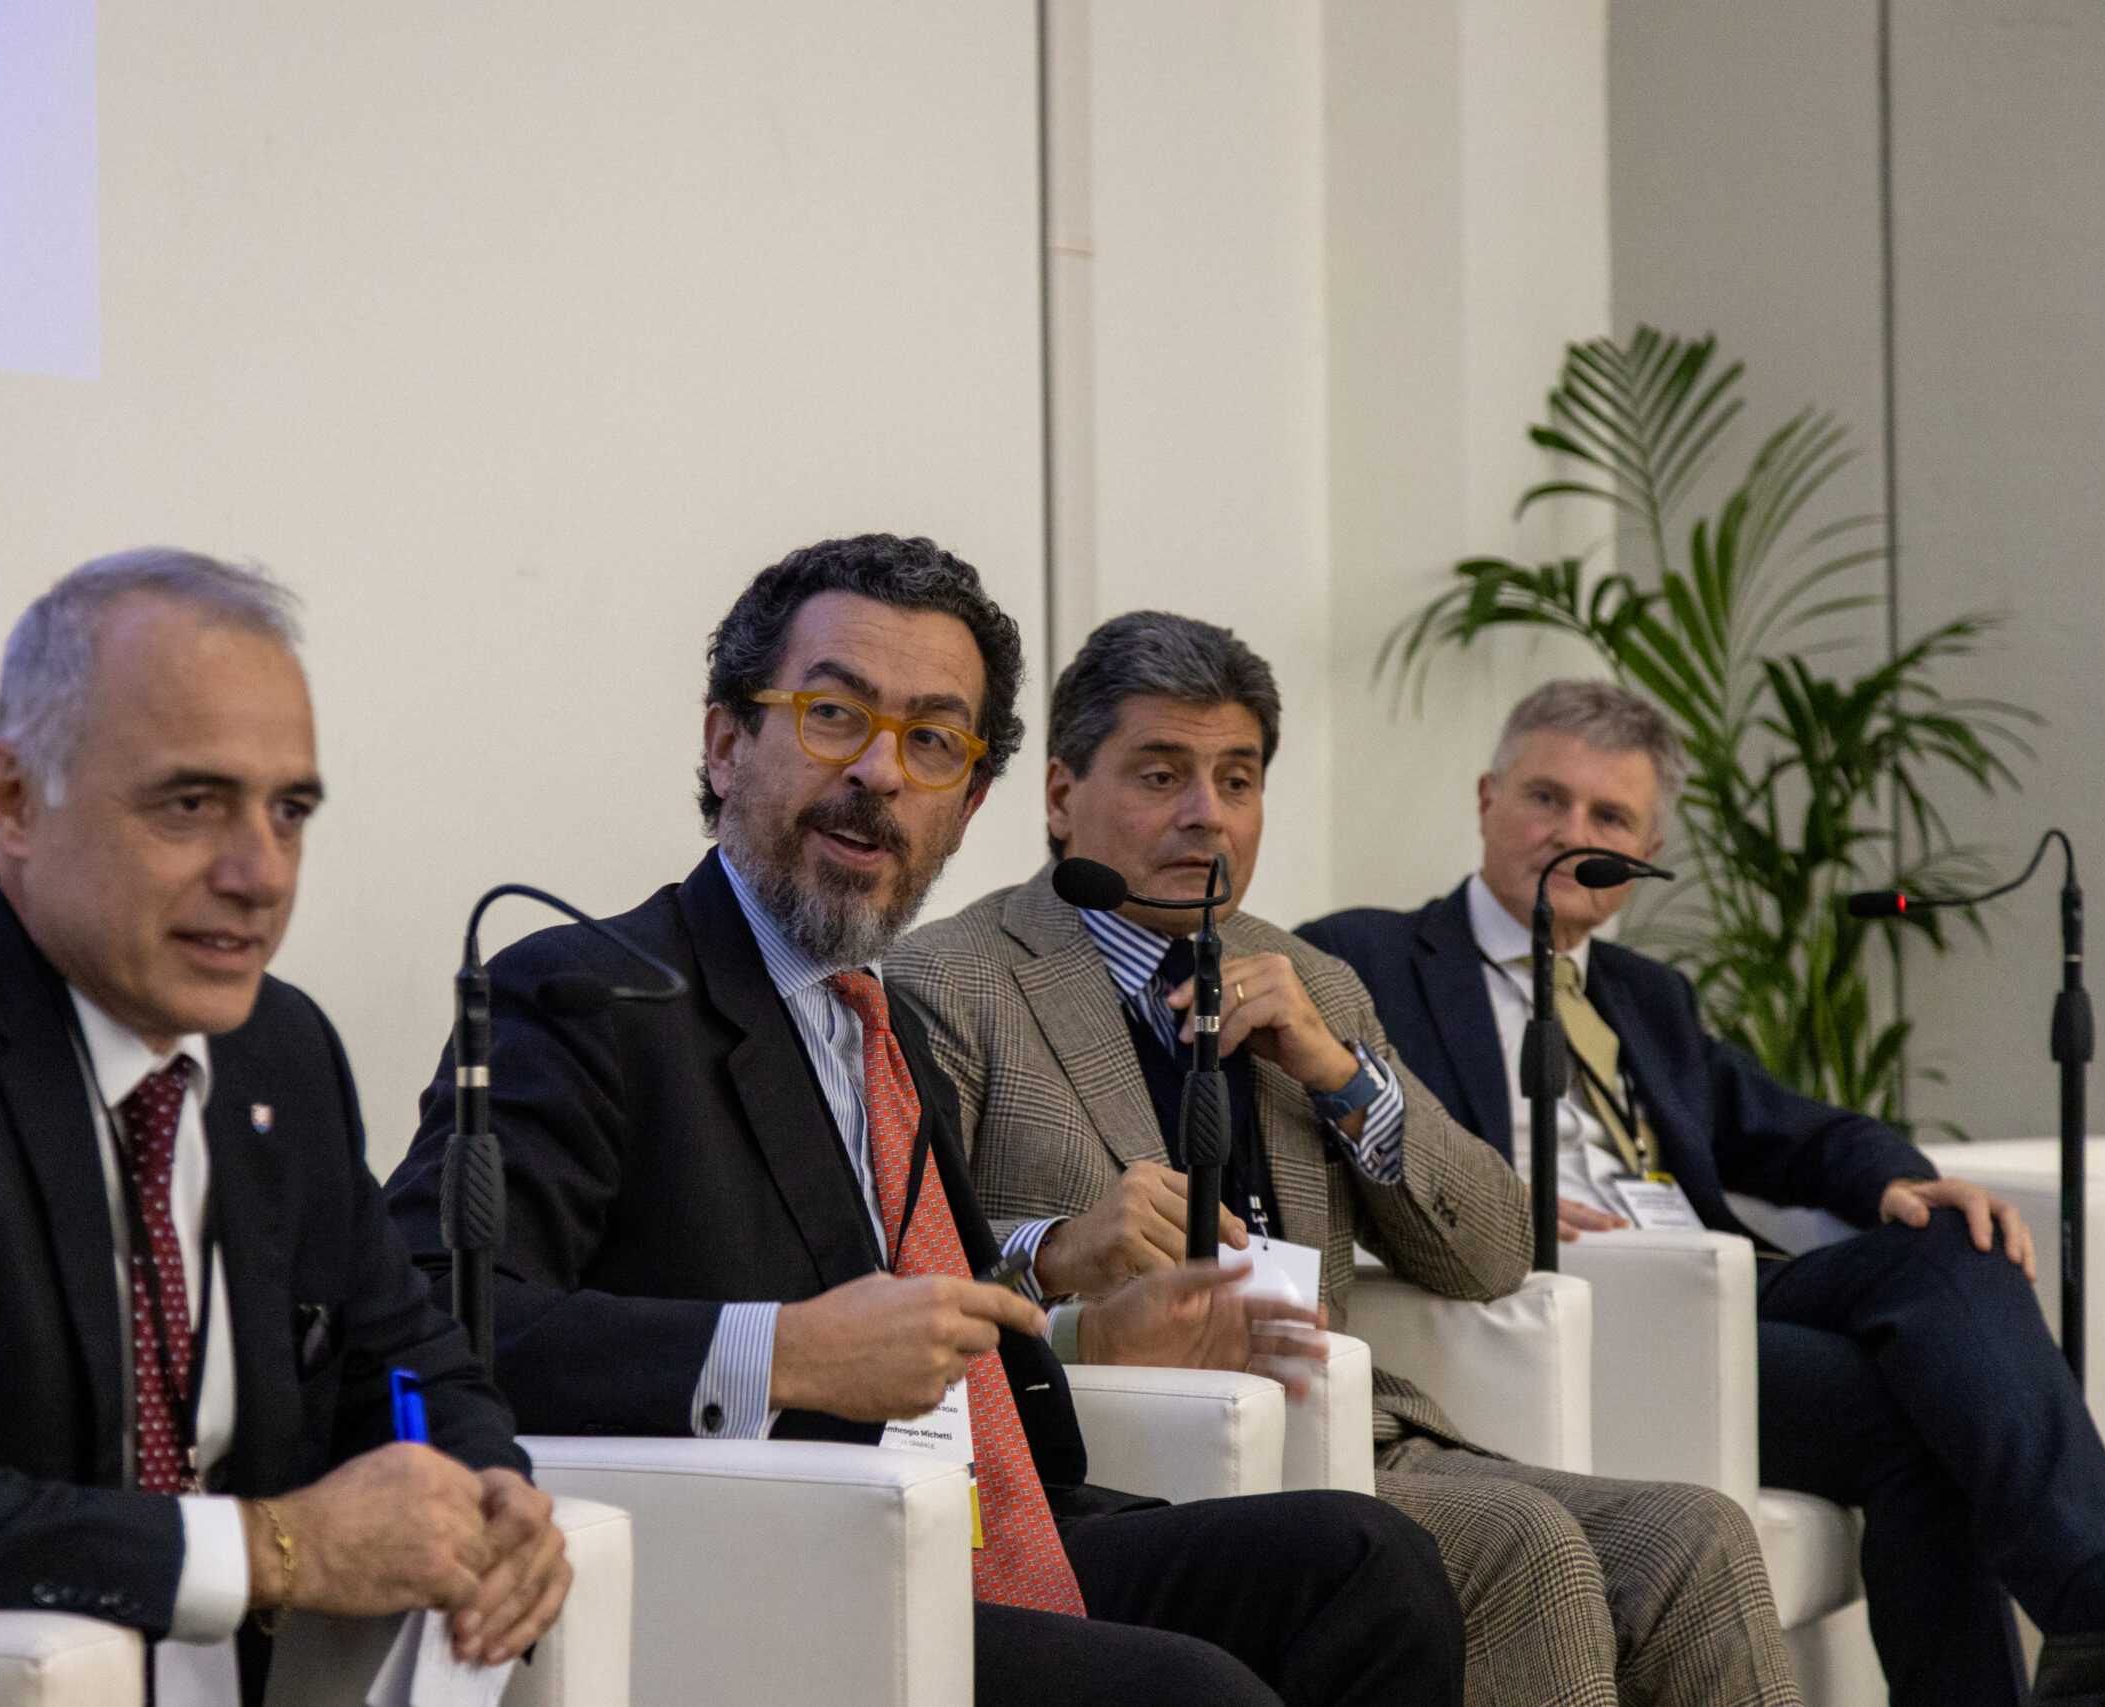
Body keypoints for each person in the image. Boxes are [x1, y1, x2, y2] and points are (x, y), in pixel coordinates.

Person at [386, 535, 1466, 1707]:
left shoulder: (884, 1023)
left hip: (985, 1525)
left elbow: (927, 1330)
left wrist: (1082, 1333)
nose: (880, 772)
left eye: (933, 743)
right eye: (833, 716)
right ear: (725, 742)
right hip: (788, 1576)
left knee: (1373, 1567)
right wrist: (782, 1352)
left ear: (968, 807)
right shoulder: (589, 993)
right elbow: (432, 1312)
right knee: (1192, 1695)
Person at [0, 550, 568, 1707]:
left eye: (288, 812)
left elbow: (408, 1358)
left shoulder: (280, 1051)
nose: (259, 874)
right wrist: (270, 1550)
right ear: (13, 799)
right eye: (191, 805)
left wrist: (492, 1491)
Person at [890, 612, 1798, 1707]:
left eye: (1237, 780)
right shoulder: (953, 983)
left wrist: (1340, 1074)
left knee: (1696, 1534)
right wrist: (1057, 1252)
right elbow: (894, 1277)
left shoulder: (1309, 979)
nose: (1206, 814)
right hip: (1140, 1446)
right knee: (1527, 1544)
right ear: (1059, 795)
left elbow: (1493, 1252)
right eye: (1161, 774)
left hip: (1350, 1430)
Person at [1298, 676, 2105, 1707]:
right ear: (1486, 799)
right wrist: (1506, 1204)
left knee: (1952, 1243)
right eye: (1546, 797)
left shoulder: (1646, 997)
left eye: (1609, 817)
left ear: (1642, 851)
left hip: (1710, 1284)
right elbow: (1337, 1152)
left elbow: (1789, 1128)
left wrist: (1904, 1180)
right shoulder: (1363, 956)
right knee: (1930, 1421)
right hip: (1562, 1307)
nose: (1571, 832)